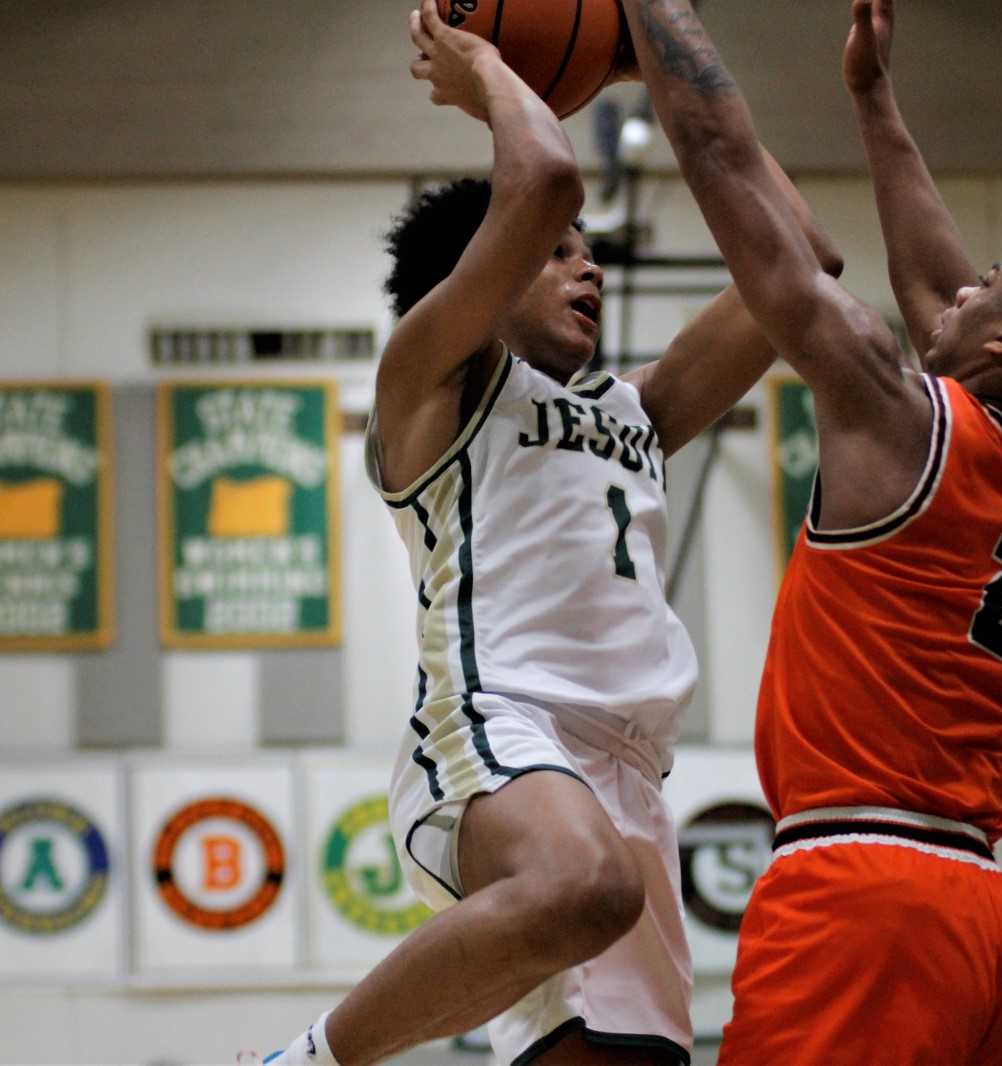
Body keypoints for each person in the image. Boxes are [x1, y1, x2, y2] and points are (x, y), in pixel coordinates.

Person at [265, 3, 841, 1065]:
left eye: (589, 256)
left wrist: (664, 75)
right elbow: (543, 181)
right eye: (558, 258)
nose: (589, 269)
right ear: (477, 278)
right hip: (501, 729)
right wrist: (482, 66)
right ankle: (303, 1060)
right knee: (583, 887)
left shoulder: (638, 411)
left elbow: (800, 255)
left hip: (630, 774)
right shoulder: (431, 381)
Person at [617, 0, 1002, 1062]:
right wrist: (874, 103)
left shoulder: (899, 418)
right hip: (985, 924)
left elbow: (720, 152)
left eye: (989, 281)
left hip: (859, 897)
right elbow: (934, 294)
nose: (958, 284)